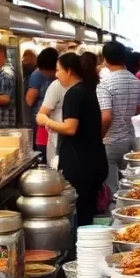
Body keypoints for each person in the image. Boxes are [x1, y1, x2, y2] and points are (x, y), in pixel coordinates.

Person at [36, 53, 107, 226]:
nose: (56, 74)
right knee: (86, 210)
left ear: (69, 71)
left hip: (81, 164)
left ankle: (82, 247)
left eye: (59, 70)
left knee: (82, 212)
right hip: (92, 159)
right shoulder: (85, 89)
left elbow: (70, 128)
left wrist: (47, 121)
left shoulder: (74, 94)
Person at [98, 41, 140, 193]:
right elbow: (139, 110)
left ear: (105, 60)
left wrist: (99, 138)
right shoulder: (136, 81)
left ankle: (113, 215)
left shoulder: (104, 84)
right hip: (131, 140)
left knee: (111, 188)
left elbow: (106, 117)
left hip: (111, 141)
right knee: (130, 186)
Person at [25, 48, 58, 157]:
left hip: (50, 127)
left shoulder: (55, 83)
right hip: (46, 128)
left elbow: (29, 100)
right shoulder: (39, 75)